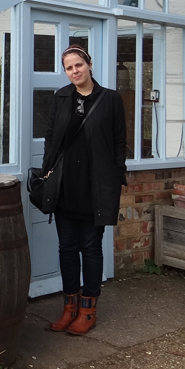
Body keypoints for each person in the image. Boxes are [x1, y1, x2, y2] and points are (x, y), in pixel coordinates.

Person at [43, 44, 126, 335]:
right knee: (67, 248)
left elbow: (119, 143)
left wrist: (116, 177)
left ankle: (89, 310)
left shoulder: (110, 99)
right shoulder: (61, 98)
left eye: (78, 65)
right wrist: (46, 173)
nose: (74, 71)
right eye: (69, 67)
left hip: (96, 186)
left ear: (89, 64)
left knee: (90, 248)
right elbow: (51, 138)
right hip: (67, 185)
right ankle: (69, 307)